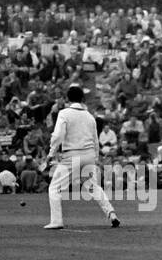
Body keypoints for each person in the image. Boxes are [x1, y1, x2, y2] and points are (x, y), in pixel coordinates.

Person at [44, 85, 119, 230]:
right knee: (93, 186)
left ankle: (57, 221)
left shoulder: (64, 113)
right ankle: (111, 214)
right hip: (89, 155)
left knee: (54, 188)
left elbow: (58, 135)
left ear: (67, 99)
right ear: (82, 99)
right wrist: (95, 157)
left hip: (72, 155)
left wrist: (51, 153)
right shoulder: (90, 116)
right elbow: (95, 139)